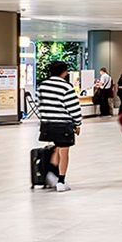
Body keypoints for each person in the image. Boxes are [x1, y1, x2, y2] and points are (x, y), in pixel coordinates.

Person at [35, 60, 84, 191]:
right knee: (64, 151)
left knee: (57, 147)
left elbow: (38, 103)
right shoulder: (66, 87)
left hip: (47, 124)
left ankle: (51, 173)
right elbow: (74, 107)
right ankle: (61, 181)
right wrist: (77, 123)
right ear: (64, 72)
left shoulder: (42, 85)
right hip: (63, 124)